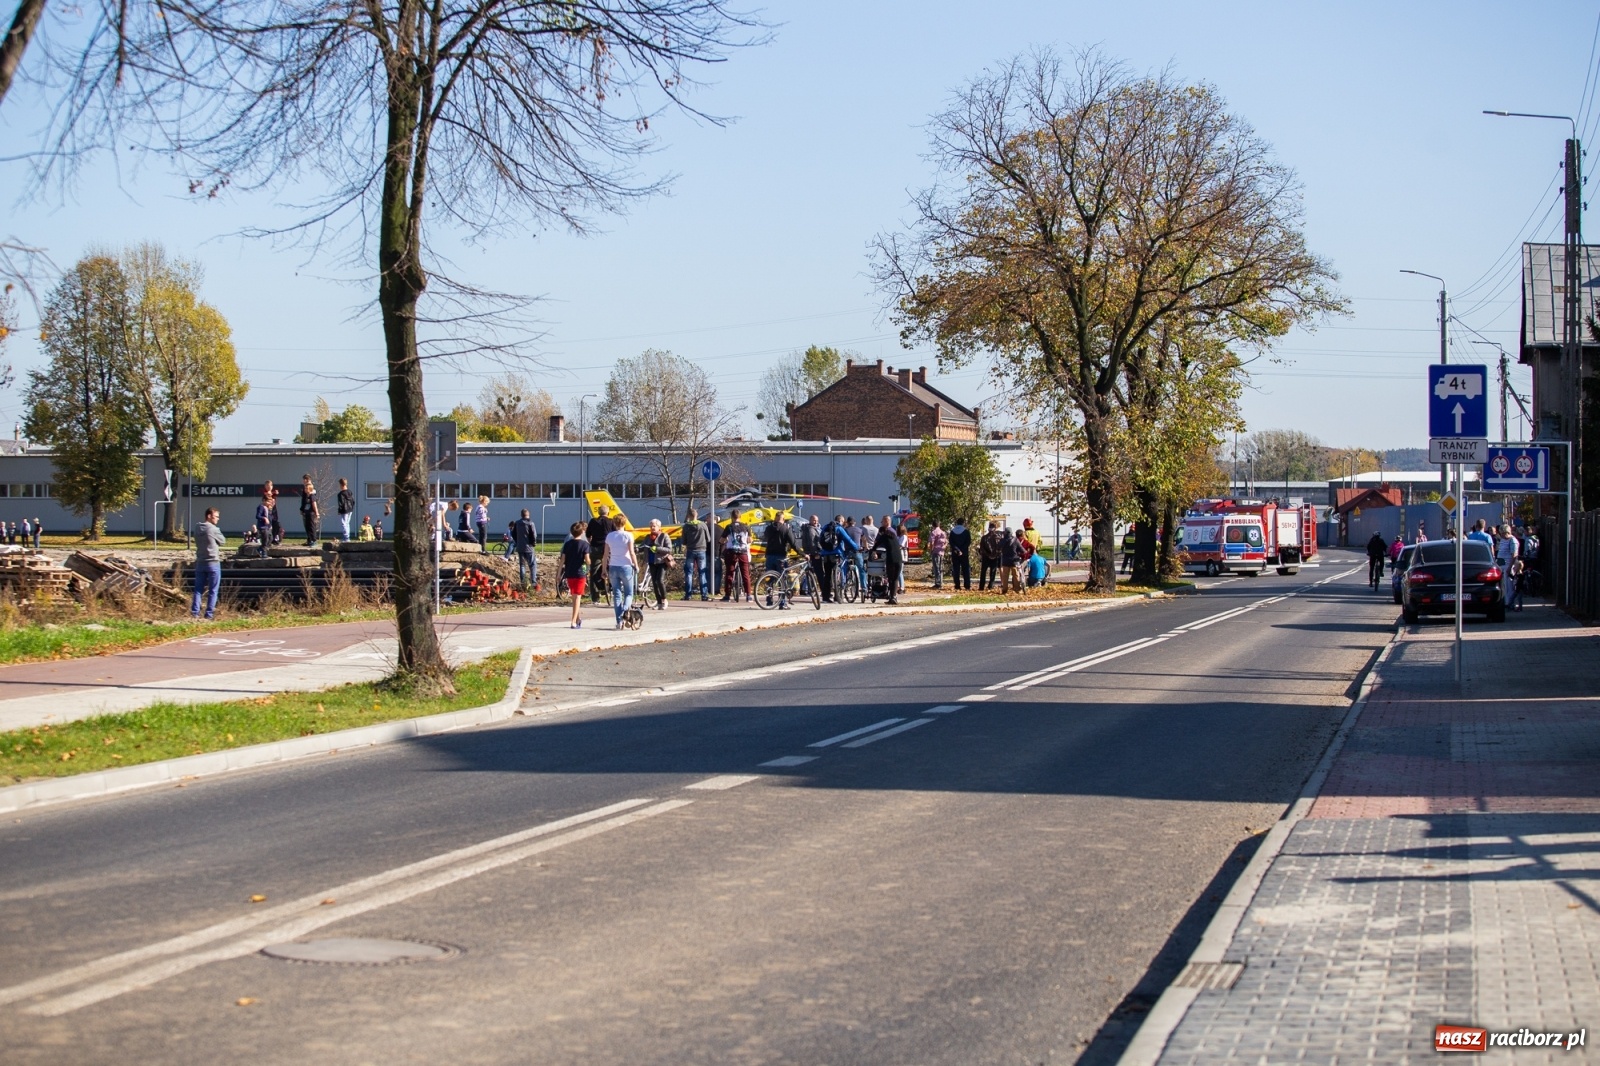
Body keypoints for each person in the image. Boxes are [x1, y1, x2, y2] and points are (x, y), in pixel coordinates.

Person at [602, 514, 639, 630]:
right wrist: (636, 565)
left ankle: (619, 621)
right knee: (629, 593)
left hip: (613, 566)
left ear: (614, 523)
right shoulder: (628, 535)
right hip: (626, 565)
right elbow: (632, 552)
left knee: (617, 595)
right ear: (625, 523)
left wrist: (604, 569)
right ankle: (624, 612)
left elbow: (605, 555)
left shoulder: (610, 536)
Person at [191, 507, 225, 620]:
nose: (218, 519)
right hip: (213, 562)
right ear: (209, 516)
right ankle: (209, 615)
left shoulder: (197, 527)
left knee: (198, 589)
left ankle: (195, 613)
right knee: (213, 590)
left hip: (200, 562)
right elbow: (223, 541)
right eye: (216, 516)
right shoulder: (213, 529)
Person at [762, 514, 799, 608]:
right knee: (782, 580)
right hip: (781, 557)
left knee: (770, 579)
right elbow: (793, 543)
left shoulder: (769, 528)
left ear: (775, 518)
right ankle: (782, 603)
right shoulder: (786, 529)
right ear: (783, 519)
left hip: (770, 556)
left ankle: (769, 601)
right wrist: (802, 553)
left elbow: (765, 537)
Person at [818, 514, 855, 603]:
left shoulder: (825, 527)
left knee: (827, 575)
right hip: (837, 554)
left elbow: (820, 539)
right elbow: (848, 539)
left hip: (825, 554)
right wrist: (856, 547)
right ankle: (838, 596)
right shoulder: (839, 528)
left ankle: (826, 597)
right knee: (840, 572)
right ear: (841, 521)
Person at [560, 521, 589, 629]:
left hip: (569, 572)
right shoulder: (585, 544)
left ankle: (577, 619)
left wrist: (558, 574)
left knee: (574, 597)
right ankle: (573, 621)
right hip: (580, 572)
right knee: (577, 597)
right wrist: (589, 563)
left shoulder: (567, 544)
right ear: (582, 532)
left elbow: (562, 559)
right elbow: (587, 560)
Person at [679, 508, 711, 601]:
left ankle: (688, 595)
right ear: (697, 515)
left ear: (688, 516)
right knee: (702, 572)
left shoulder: (686, 526)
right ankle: (704, 595)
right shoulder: (703, 525)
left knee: (689, 573)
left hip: (690, 551)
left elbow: (683, 541)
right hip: (701, 550)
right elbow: (708, 539)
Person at [721, 509, 752, 601]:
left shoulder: (729, 527)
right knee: (745, 573)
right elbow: (750, 540)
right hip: (743, 552)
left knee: (729, 573)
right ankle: (748, 595)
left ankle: (727, 595)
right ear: (740, 516)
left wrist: (724, 542)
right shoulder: (746, 527)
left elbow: (722, 540)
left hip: (731, 552)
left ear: (731, 517)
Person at [643, 518, 673, 610]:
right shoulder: (648, 537)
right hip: (652, 562)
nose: (652, 528)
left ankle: (664, 600)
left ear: (659, 527)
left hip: (662, 562)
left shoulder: (664, 536)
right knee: (654, 583)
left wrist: (658, 548)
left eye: (654, 526)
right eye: (651, 526)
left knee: (659, 580)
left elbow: (669, 549)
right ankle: (659, 603)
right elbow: (643, 546)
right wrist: (637, 548)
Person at [584, 505, 612, 604]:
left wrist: (591, 542)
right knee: (611, 568)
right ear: (608, 513)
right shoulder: (611, 522)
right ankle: (609, 588)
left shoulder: (593, 521)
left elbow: (587, 535)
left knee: (593, 572)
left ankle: (595, 598)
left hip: (595, 548)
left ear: (598, 513)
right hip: (607, 549)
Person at [878, 512, 903, 605]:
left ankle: (892, 597)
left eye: (882, 521)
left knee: (891, 578)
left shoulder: (885, 534)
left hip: (891, 558)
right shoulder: (893, 533)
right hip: (898, 558)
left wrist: (872, 551)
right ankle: (893, 597)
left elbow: (877, 543)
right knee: (895, 578)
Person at [511, 508, 538, 588]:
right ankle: (533, 582)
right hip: (529, 547)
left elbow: (513, 534)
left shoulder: (517, 523)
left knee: (522, 565)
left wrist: (517, 541)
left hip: (520, 547)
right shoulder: (530, 523)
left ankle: (523, 582)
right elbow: (534, 535)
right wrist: (533, 542)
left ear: (521, 515)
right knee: (532, 565)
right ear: (528, 515)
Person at [1495, 522, 1519, 605]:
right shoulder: (1503, 540)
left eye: (1502, 533)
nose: (1501, 535)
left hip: (1508, 566)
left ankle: (1510, 603)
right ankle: (1505, 602)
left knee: (1509, 586)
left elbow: (1514, 555)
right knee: (1504, 586)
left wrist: (1509, 568)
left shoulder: (1512, 540)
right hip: (1502, 566)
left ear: (1507, 532)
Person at [948, 518, 972, 590]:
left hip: (955, 553)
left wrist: (957, 550)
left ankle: (957, 585)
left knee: (956, 569)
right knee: (965, 569)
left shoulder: (952, 532)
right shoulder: (966, 531)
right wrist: (962, 550)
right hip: (964, 553)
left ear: (956, 523)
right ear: (963, 523)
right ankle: (967, 585)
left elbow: (951, 543)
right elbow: (968, 542)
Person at [978, 520, 1003, 590]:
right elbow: (1000, 548)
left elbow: (982, 548)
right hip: (994, 557)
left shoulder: (984, 537)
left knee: (984, 572)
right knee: (992, 572)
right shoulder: (998, 537)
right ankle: (990, 586)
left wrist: (988, 554)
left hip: (986, 557)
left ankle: (981, 586)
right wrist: (995, 555)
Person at [299, 474, 321, 546]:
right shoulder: (305, 491)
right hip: (306, 511)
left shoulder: (311, 491)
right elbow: (303, 501)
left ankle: (313, 540)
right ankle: (309, 540)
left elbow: (314, 503)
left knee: (311, 526)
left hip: (311, 512)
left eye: (304, 480)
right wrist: (302, 509)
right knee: (307, 526)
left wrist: (317, 513)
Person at [999, 527, 1021, 593]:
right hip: (1014, 561)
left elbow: (998, 547)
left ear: (1005, 532)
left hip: (1005, 561)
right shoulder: (1016, 540)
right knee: (1016, 575)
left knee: (1005, 576)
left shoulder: (1002, 540)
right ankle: (1017, 589)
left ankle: (1004, 590)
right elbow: (1021, 549)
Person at [927, 519, 948, 589]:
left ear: (933, 525)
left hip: (935, 551)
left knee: (936, 568)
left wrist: (931, 550)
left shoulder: (933, 532)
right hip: (941, 551)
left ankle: (938, 583)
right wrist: (943, 548)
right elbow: (946, 542)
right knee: (940, 567)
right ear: (939, 525)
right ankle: (941, 582)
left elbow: (931, 542)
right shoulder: (943, 532)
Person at [255, 490, 274, 559]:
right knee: (265, 539)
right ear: (264, 500)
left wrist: (270, 525)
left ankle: (260, 549)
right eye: (268, 501)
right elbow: (257, 516)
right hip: (262, 527)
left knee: (270, 538)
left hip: (268, 527)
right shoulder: (261, 507)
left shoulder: (268, 508)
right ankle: (264, 553)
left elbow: (270, 518)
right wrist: (264, 518)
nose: (269, 503)